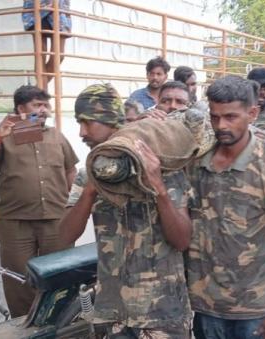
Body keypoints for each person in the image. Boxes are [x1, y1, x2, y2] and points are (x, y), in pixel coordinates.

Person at [60, 84, 193, 337]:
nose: (81, 132)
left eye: (88, 123)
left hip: (161, 314)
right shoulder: (88, 175)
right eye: (79, 123)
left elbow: (182, 239)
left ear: (111, 121)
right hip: (112, 313)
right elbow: (65, 236)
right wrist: (90, 190)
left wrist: (159, 189)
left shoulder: (162, 167)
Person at [186, 75, 265, 339]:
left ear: (252, 113)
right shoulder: (197, 161)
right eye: (214, 116)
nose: (221, 125)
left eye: (231, 117)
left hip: (256, 308)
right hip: (206, 305)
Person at [0, 85, 78, 317]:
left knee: (60, 273)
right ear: (21, 108)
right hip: (16, 221)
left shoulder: (57, 136)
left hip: (56, 218)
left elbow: (71, 171)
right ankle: (23, 324)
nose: (43, 110)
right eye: (36, 105)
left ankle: (61, 320)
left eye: (45, 105)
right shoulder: (5, 136)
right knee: (19, 278)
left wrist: (68, 202)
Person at [22, 0, 72, 89]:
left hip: (61, 10)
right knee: (41, 53)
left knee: (59, 55)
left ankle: (37, 92)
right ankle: (42, 95)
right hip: (39, 7)